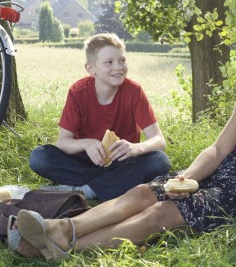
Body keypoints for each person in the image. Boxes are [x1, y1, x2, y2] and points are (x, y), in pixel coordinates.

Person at [13, 4, 236, 261]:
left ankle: (67, 244)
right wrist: (186, 177)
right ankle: (60, 227)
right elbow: (219, 149)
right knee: (145, 192)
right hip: (224, 170)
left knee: (161, 215)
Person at [28, 33, 171, 201]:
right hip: (85, 161)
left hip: (121, 161)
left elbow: (159, 141)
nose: (118, 67)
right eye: (109, 62)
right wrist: (87, 144)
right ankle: (111, 185)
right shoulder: (78, 92)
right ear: (91, 68)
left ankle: (84, 191)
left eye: (122, 60)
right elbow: (63, 142)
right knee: (39, 157)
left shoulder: (134, 91)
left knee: (160, 161)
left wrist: (135, 148)